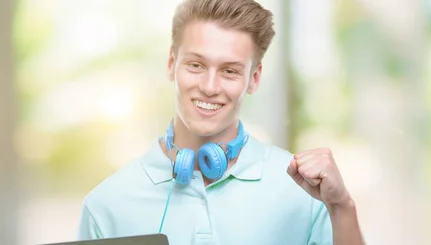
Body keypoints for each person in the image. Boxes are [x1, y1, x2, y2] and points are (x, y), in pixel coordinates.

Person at [77, 0, 364, 244]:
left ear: (254, 78)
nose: (210, 86)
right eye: (196, 65)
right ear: (170, 63)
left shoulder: (305, 191)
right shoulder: (106, 205)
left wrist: (342, 207)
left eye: (229, 71)